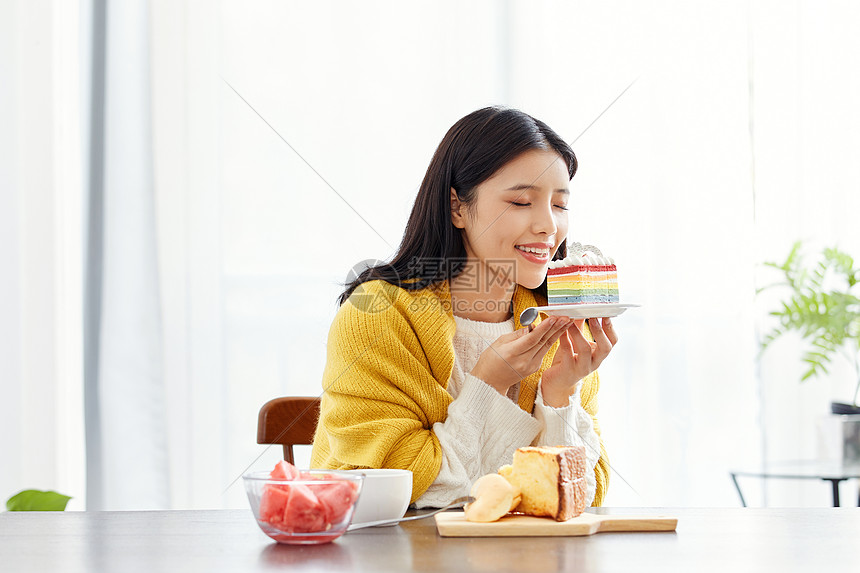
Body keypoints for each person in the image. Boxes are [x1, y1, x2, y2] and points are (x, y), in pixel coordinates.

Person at [310, 106, 617, 508]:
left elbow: (584, 493)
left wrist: (559, 393)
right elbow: (402, 495)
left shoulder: (556, 319)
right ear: (457, 207)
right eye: (522, 201)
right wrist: (489, 382)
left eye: (560, 205)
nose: (548, 226)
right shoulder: (379, 315)